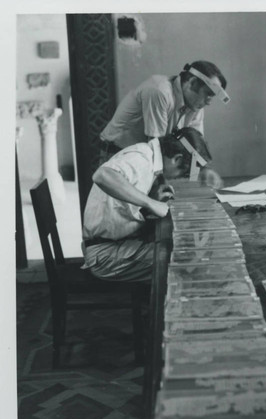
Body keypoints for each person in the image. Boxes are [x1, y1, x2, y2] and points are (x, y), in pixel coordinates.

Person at [82, 127, 212, 283]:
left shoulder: (147, 156)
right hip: (105, 254)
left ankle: (155, 303)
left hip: (117, 244)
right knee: (189, 262)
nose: (178, 178)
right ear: (176, 159)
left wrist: (150, 198)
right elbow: (102, 175)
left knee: (185, 249)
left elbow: (121, 208)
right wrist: (150, 203)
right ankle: (168, 306)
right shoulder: (141, 159)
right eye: (182, 174)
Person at [98, 61, 230, 188]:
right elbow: (156, 146)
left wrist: (202, 173)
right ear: (192, 83)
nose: (209, 102)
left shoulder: (196, 106)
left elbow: (193, 147)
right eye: (208, 94)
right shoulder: (159, 91)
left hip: (147, 158)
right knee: (125, 209)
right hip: (119, 156)